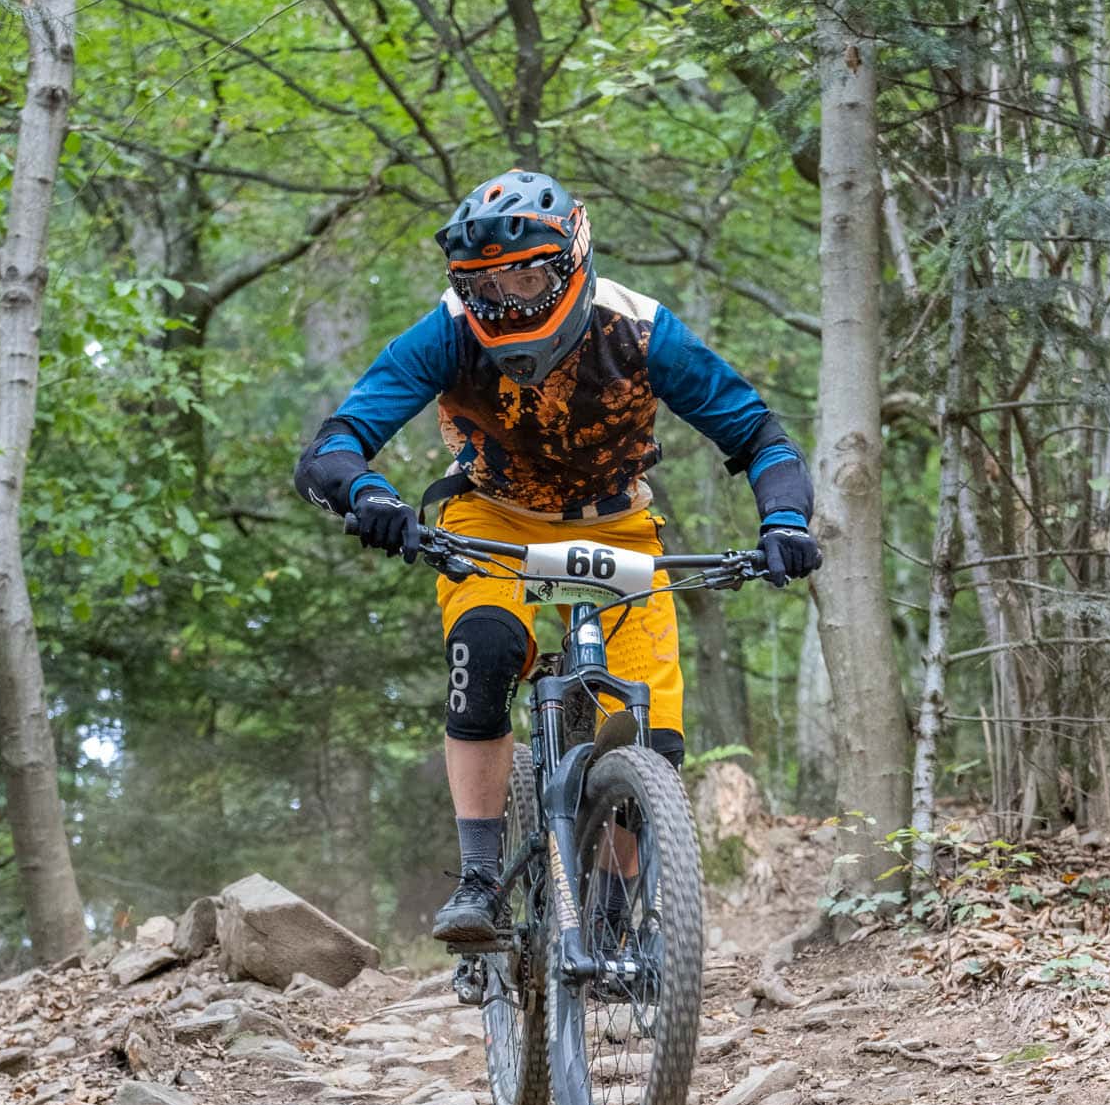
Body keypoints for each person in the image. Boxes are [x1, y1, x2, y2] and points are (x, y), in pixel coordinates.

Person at [295, 168, 821, 946]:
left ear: (572, 262)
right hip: (490, 520)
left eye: (526, 279)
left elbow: (762, 437)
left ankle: (608, 910)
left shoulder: (641, 330)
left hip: (618, 527)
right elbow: (332, 447)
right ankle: (480, 880)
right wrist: (370, 496)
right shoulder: (447, 331)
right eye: (485, 287)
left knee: (651, 739)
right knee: (486, 649)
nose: (506, 304)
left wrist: (785, 520)